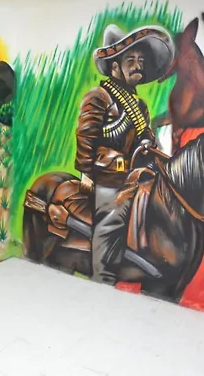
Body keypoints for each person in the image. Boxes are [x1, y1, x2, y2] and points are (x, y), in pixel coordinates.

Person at [74, 25, 175, 284]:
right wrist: (86, 172)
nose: (138, 65)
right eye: (130, 59)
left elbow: (146, 138)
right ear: (114, 66)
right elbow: (86, 134)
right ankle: (103, 277)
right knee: (112, 219)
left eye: (141, 60)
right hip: (109, 178)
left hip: (135, 177)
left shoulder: (139, 106)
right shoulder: (99, 97)